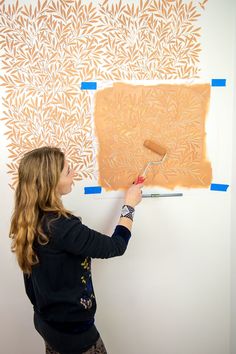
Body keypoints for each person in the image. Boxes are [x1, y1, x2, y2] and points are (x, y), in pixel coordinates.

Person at [9, 146, 143, 354]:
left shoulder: (28, 218)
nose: (74, 174)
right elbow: (116, 246)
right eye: (67, 171)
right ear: (51, 181)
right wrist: (130, 206)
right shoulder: (61, 226)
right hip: (73, 333)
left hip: (46, 321)